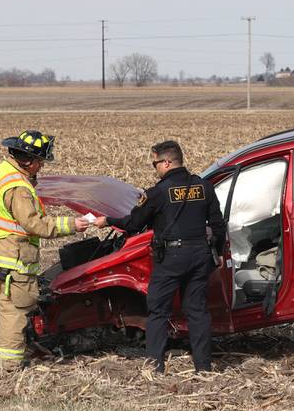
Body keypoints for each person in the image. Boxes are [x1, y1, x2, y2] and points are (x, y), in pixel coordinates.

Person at [0, 130, 89, 371]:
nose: (42, 167)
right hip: (10, 260)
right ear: (30, 160)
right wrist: (72, 225)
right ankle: (8, 365)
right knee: (13, 311)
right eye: (41, 162)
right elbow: (35, 224)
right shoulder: (19, 187)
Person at [96, 140, 225, 373]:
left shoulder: (157, 193)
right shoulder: (204, 187)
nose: (154, 168)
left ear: (166, 162)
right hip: (199, 255)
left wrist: (108, 220)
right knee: (197, 311)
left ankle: (155, 366)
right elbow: (218, 225)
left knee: (158, 312)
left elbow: (134, 224)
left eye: (155, 163)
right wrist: (217, 252)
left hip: (171, 258)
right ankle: (203, 367)